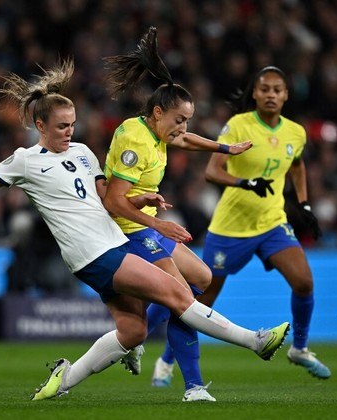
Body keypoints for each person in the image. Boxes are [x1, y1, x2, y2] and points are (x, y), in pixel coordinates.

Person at [0, 59, 290, 401]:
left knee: (133, 332)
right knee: (178, 294)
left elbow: (104, 195)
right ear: (40, 126)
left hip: (112, 242)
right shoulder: (24, 160)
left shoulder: (82, 151)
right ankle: (254, 342)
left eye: (72, 124)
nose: (69, 132)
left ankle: (63, 381)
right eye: (61, 126)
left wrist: (141, 199)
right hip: (93, 253)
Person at [151, 66, 331, 384]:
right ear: (256, 93)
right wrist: (246, 183)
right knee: (201, 299)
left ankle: (300, 348)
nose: (271, 94)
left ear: (286, 95)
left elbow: (298, 165)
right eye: (265, 89)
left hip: (272, 223)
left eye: (278, 89)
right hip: (231, 228)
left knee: (304, 281)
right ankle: (167, 359)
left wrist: (303, 204)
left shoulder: (295, 132)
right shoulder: (239, 125)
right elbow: (212, 171)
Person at [101, 27, 252, 402]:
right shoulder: (135, 140)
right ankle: (194, 387)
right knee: (183, 294)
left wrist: (225, 147)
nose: (184, 129)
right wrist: (158, 222)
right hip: (126, 229)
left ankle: (137, 338)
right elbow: (114, 201)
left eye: (188, 120)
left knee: (201, 277)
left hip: (144, 226)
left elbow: (185, 139)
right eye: (180, 119)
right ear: (156, 113)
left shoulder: (158, 133)